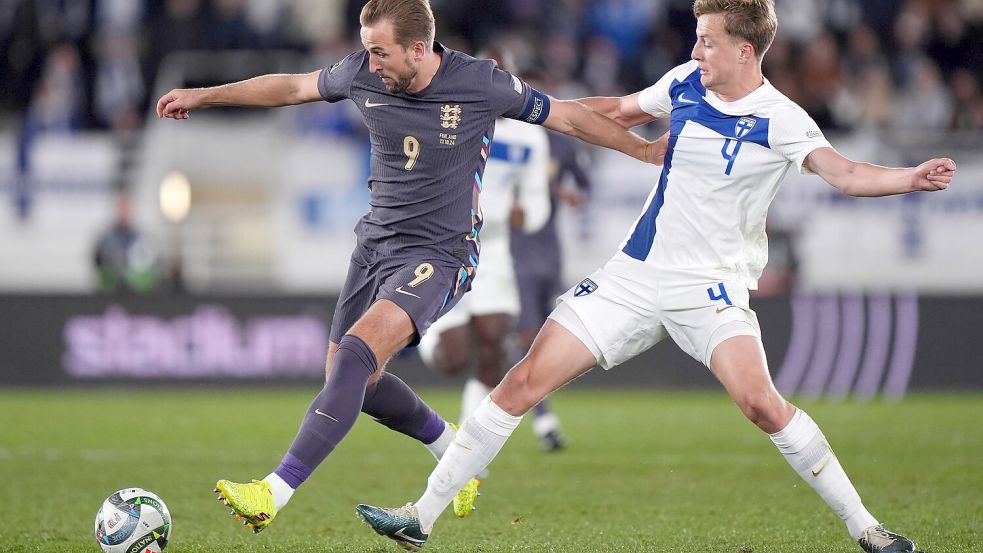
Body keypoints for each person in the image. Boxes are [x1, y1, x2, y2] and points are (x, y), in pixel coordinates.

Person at [355, 1, 956, 552]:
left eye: (708, 43)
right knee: (520, 382)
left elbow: (845, 174)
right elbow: (614, 111)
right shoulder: (686, 82)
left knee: (761, 405)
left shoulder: (782, 119)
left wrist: (909, 177)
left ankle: (868, 530)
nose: (696, 53)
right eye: (696, 41)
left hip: (710, 288)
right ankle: (422, 516)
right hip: (634, 276)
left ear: (745, 51)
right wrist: (517, 110)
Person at [156, 0, 662, 535]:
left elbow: (565, 115)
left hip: (440, 255)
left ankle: (271, 492)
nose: (370, 63)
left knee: (355, 355)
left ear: (419, 49)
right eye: (368, 50)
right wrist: (205, 95)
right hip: (373, 246)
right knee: (355, 382)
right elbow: (291, 87)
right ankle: (454, 454)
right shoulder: (361, 72)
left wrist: (643, 151)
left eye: (380, 52)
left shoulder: (481, 83)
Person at [415, 51, 564, 465]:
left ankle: (466, 450)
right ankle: (424, 337)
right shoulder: (446, 120)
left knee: (495, 345)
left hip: (494, 248)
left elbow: (537, 205)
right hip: (444, 244)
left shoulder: (527, 136)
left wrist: (527, 215)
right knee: (456, 356)